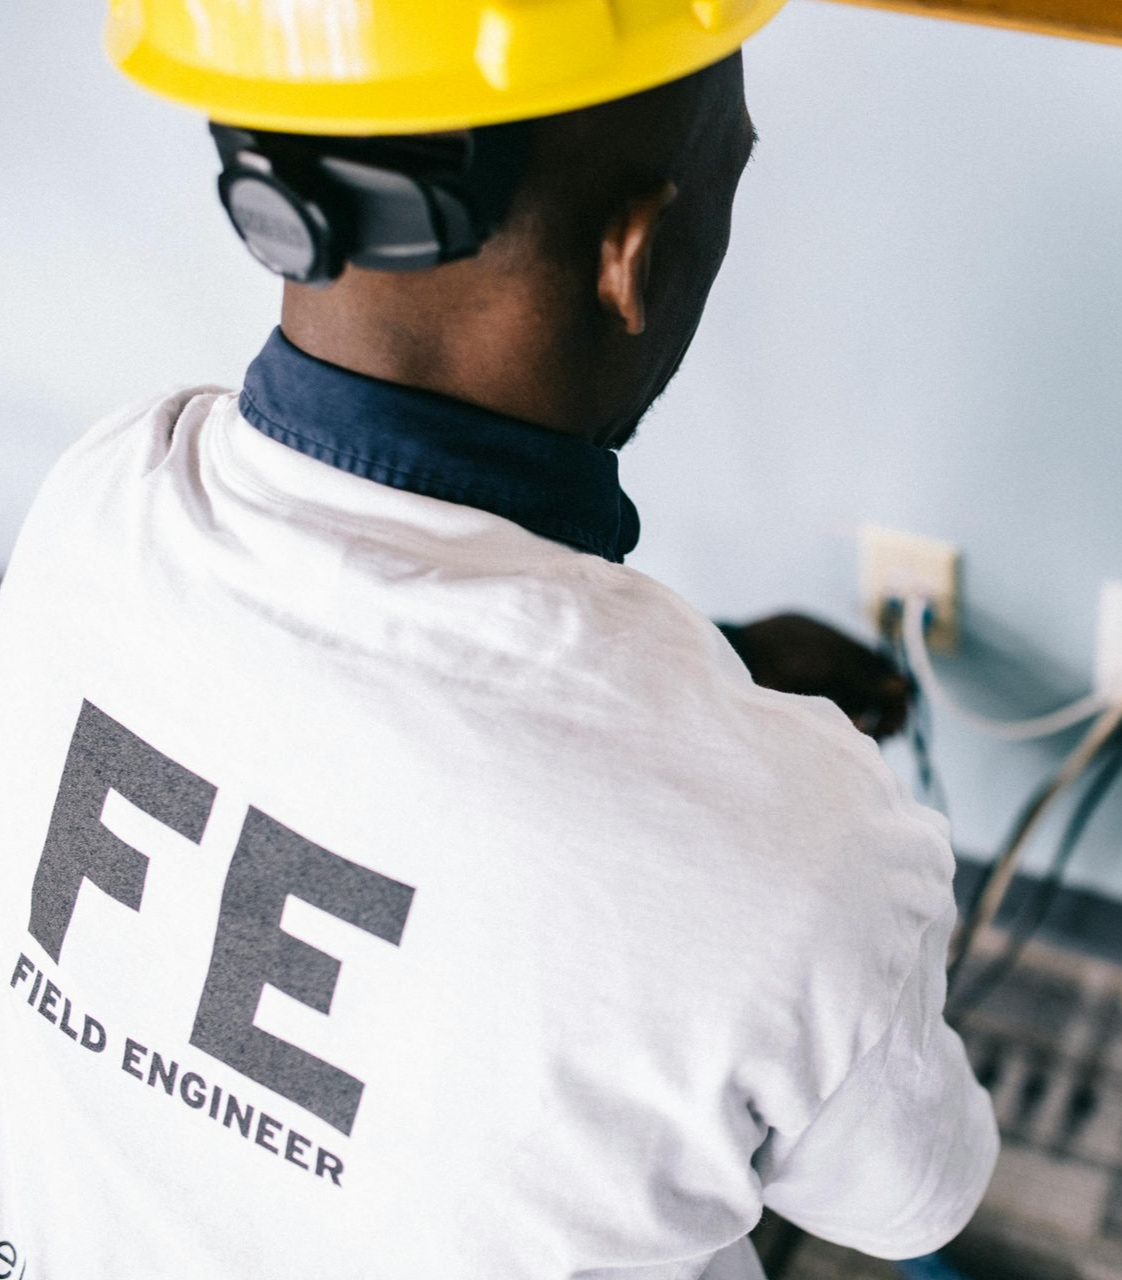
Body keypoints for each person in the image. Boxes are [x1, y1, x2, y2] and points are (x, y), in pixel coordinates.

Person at [0, 4, 996, 1277]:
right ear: (634, 257)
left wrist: (716, 702)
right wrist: (762, 795)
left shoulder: (99, 505)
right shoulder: (808, 854)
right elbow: (916, 1199)